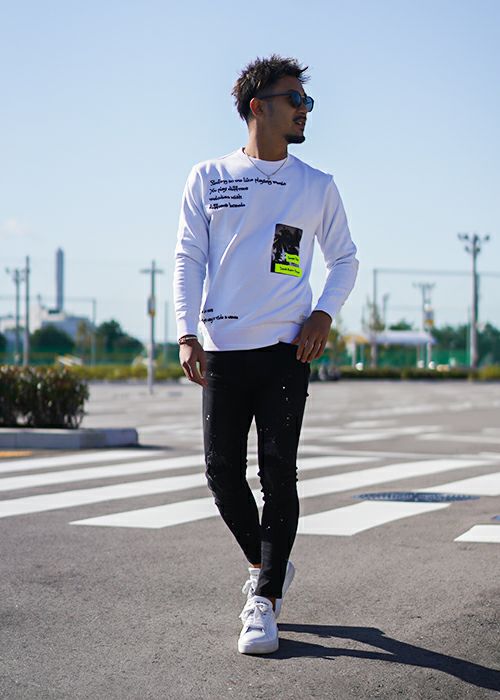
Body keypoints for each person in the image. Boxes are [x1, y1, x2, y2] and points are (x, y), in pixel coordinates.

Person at [173, 55, 359, 655]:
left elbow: (344, 258)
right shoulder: (209, 176)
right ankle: (267, 564)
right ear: (258, 106)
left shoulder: (316, 185)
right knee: (221, 472)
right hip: (223, 349)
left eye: (307, 101)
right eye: (294, 99)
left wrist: (323, 314)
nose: (305, 110)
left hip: (285, 350)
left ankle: (264, 600)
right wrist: (185, 332)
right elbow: (188, 257)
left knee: (278, 473)